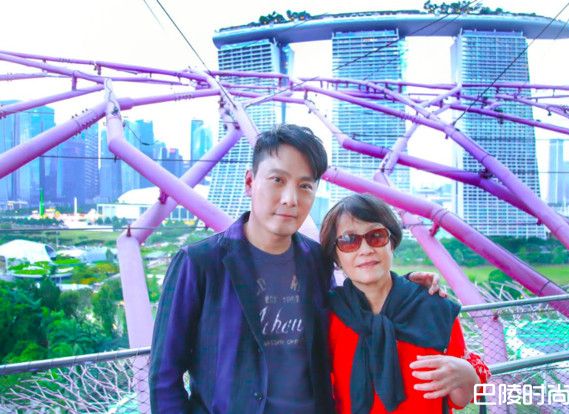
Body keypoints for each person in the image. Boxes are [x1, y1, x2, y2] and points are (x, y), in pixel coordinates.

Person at [149, 124, 445, 413]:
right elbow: (164, 376)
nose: (291, 199)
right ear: (250, 182)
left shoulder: (316, 260)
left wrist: (404, 288)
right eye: (277, 180)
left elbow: (351, 310)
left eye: (305, 186)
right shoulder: (199, 264)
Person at [320, 194, 490, 413]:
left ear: (392, 243)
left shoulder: (433, 307)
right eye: (348, 240)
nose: (365, 249)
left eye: (376, 236)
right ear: (335, 256)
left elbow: (461, 398)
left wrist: (467, 373)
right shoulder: (327, 316)